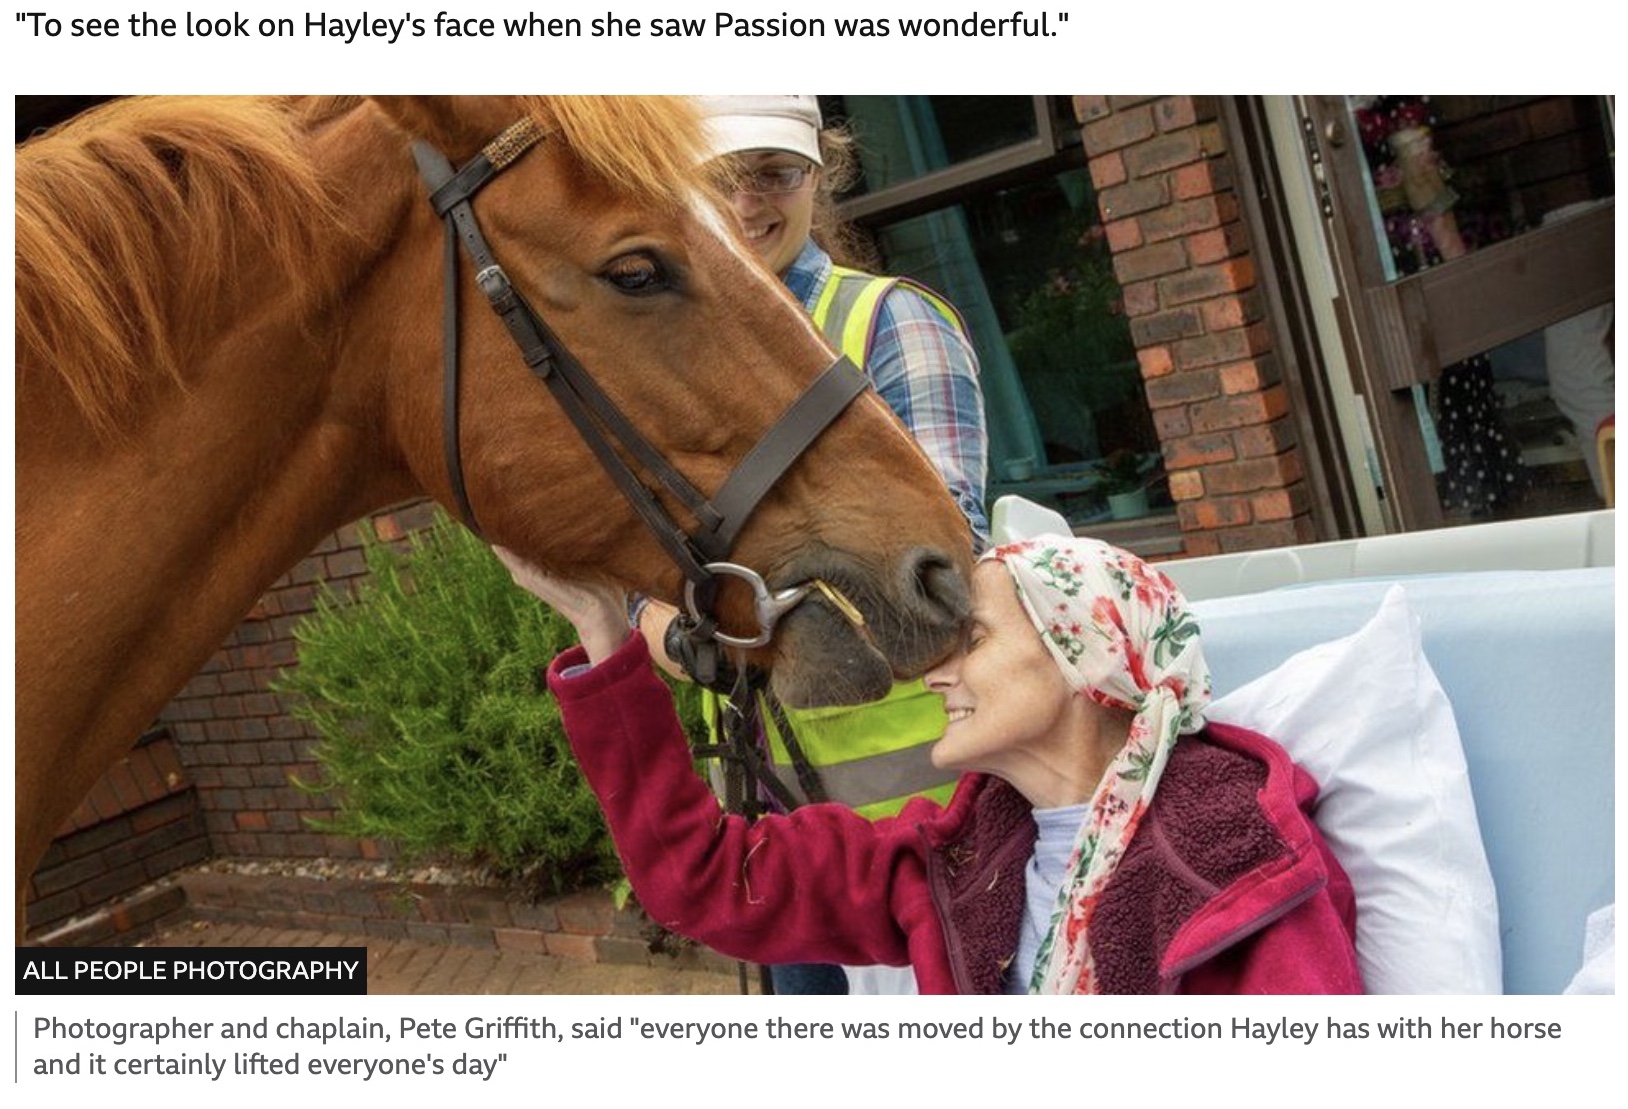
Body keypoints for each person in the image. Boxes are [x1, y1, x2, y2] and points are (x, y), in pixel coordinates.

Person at [498, 536, 1363, 994]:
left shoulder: (1236, 863)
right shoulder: (949, 861)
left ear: (1089, 664)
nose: (936, 670)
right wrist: (605, 630)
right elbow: (704, 879)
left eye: (974, 638)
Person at [631, 96, 989, 994]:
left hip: (928, 819)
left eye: (776, 172)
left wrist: (704, 625)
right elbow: (641, 590)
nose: (750, 202)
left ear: (819, 175)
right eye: (721, 177)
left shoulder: (889, 323)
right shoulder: (656, 365)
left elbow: (947, 578)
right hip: (771, 824)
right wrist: (680, 630)